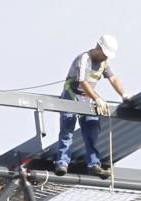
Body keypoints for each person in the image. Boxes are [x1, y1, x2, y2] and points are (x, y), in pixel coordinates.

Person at [54, 35, 131, 179]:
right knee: (67, 128)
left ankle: (94, 164)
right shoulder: (84, 59)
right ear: (98, 48)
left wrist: (123, 94)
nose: (105, 57)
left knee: (92, 128)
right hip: (71, 95)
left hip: (87, 98)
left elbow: (113, 78)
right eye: (104, 54)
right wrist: (97, 98)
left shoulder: (104, 62)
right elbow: (83, 83)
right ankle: (62, 163)